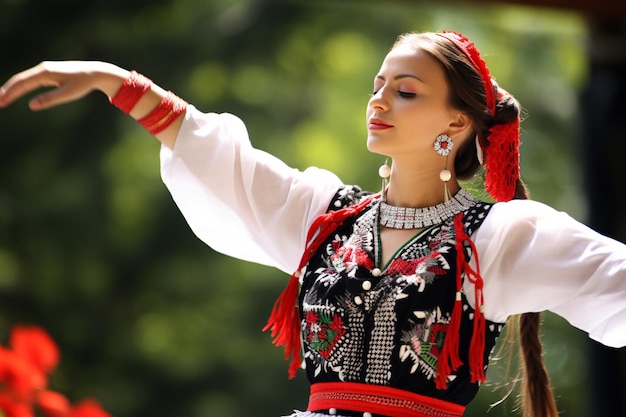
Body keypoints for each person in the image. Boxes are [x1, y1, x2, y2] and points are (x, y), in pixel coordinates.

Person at [0, 30, 624, 417]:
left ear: (457, 124)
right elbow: (227, 165)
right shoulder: (323, 217)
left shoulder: (497, 238)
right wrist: (117, 83)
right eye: (378, 85)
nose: (378, 100)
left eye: (405, 91)